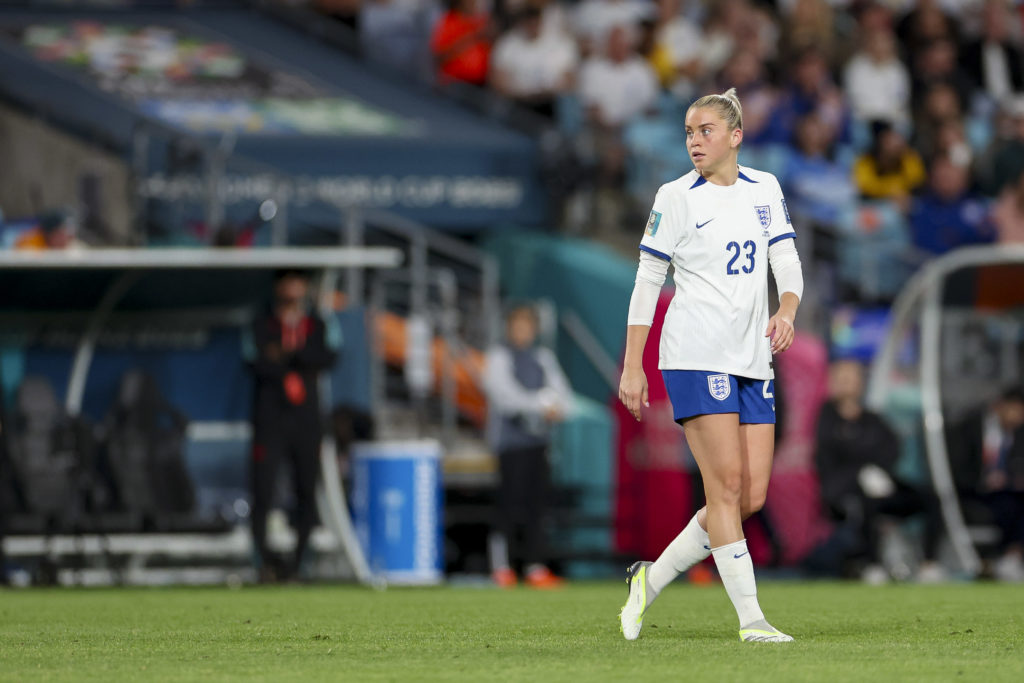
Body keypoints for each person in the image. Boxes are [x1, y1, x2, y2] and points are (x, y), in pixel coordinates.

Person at [617, 88, 803, 643]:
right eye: (689, 133)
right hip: (696, 355)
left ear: (735, 136)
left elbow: (786, 259)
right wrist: (633, 365)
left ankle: (649, 581)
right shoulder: (675, 196)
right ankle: (752, 621)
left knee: (751, 497)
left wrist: (787, 308)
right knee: (724, 488)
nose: (695, 142)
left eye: (706, 131)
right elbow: (647, 281)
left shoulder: (765, 188)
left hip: (753, 357)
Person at [815, 359, 946, 583]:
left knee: (929, 497)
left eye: (851, 378)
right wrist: (860, 473)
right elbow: (829, 462)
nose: (847, 384)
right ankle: (872, 564)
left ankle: (929, 564)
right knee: (867, 504)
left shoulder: (872, 419)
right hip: (846, 492)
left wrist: (877, 471)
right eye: (841, 379)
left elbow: (891, 448)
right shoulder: (825, 419)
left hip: (882, 484)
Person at [245, 270, 340, 582]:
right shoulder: (261, 323)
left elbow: (327, 355)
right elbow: (254, 360)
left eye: (298, 281)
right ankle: (263, 564)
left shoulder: (318, 323)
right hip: (270, 420)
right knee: (263, 491)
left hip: (306, 421)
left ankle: (300, 565)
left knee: (306, 491)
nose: (293, 288)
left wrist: (286, 355)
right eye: (287, 281)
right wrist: (290, 362)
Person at [483, 304, 573, 589]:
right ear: (509, 328)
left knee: (537, 507)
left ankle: (535, 567)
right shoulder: (498, 357)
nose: (523, 331)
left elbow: (565, 399)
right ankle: (501, 567)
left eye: (528, 325)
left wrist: (555, 407)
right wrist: (541, 404)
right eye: (518, 325)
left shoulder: (542, 358)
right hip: (511, 446)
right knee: (509, 506)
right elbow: (505, 398)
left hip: (538, 444)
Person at [947, 389, 1024, 582]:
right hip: (970, 493)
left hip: (1006, 494)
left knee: (1014, 504)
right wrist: (984, 480)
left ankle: (1011, 557)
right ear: (1000, 406)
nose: (1019, 418)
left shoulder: (1018, 435)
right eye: (1017, 411)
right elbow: (956, 467)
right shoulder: (968, 427)